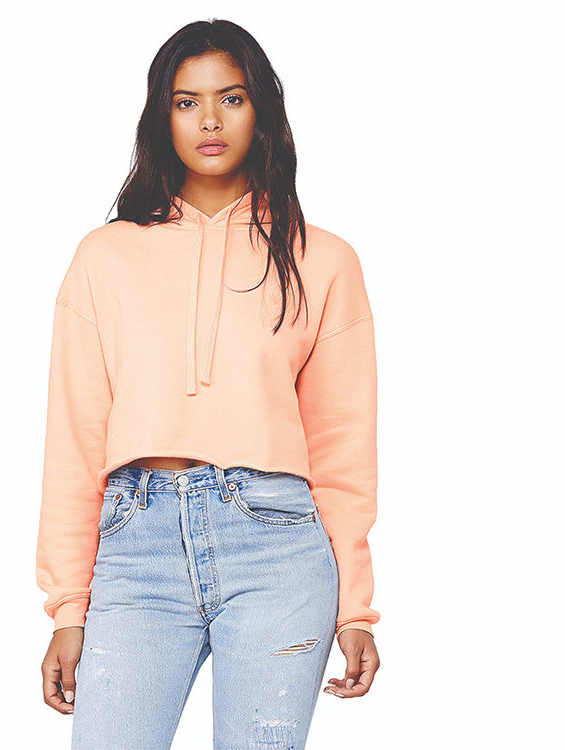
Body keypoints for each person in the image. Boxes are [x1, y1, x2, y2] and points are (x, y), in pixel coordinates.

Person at [36, 18, 382, 750]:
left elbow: (342, 448)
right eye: (186, 102)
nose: (210, 121)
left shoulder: (322, 260)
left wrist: (355, 608)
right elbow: (75, 438)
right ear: (161, 117)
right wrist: (69, 607)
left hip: (277, 546)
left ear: (262, 111)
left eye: (231, 97)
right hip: (136, 551)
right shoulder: (105, 257)